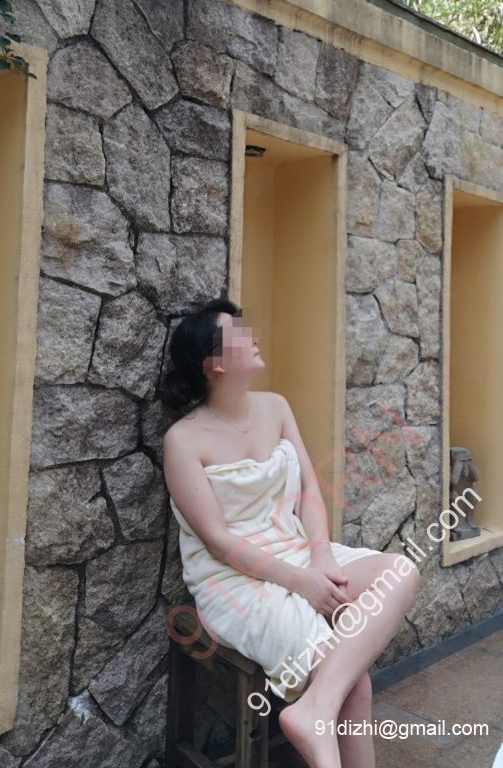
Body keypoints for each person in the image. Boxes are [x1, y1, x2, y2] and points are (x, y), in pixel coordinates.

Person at [160, 297, 421, 768]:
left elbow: (308, 490)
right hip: (236, 582)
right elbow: (217, 541)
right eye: (237, 333)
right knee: (355, 685)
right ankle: (316, 714)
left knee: (401, 572)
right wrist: (302, 582)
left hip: (300, 553)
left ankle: (313, 710)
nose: (252, 336)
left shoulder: (275, 407)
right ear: (214, 364)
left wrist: (321, 555)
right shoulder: (183, 440)